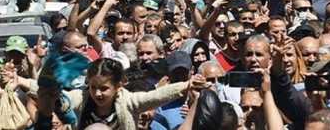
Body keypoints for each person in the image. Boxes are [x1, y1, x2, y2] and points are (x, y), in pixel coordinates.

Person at [36, 58, 208, 130]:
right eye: (93, 87)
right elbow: (60, 98)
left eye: (104, 88)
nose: (97, 93)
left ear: (118, 86)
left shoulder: (129, 101)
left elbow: (156, 96)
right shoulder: (82, 98)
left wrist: (186, 85)